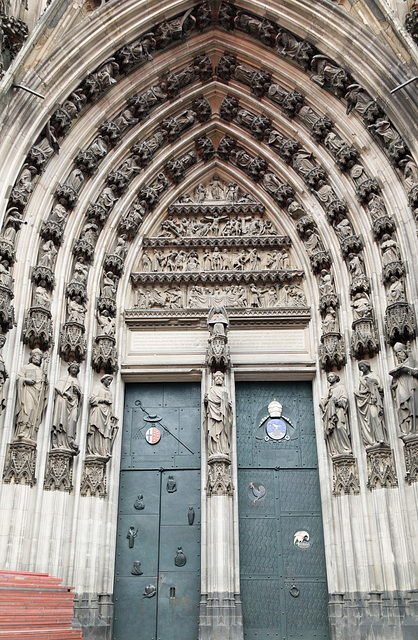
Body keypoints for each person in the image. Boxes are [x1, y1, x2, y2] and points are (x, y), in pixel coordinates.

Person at [14, 349, 48, 443]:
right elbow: (18, 378)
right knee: (27, 409)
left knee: (34, 412)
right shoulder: (26, 367)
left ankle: (30, 434)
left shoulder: (41, 371)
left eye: (39, 357)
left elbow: (44, 387)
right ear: (31, 357)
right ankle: (22, 431)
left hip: (37, 395)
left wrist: (45, 383)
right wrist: (25, 380)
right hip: (28, 391)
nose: (37, 358)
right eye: (35, 356)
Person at [354, 361, 388, 447]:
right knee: (370, 419)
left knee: (375, 416)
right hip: (366, 402)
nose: (361, 369)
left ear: (367, 366)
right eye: (360, 368)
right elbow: (356, 391)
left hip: (374, 401)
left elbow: (380, 387)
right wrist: (365, 391)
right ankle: (373, 439)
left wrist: (373, 385)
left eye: (362, 367)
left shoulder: (374, 376)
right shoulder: (360, 379)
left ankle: (380, 437)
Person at [51, 362, 82, 452]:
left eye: (76, 368)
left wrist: (78, 392)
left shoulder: (78, 382)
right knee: (62, 420)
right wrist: (66, 394)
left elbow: (81, 396)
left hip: (74, 402)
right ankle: (60, 441)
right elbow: (58, 388)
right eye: (72, 368)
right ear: (69, 369)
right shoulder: (64, 379)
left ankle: (70, 440)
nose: (74, 370)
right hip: (64, 402)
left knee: (73, 419)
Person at [320, 373, 352, 457]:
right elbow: (323, 401)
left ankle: (345, 448)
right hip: (330, 412)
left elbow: (344, 399)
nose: (330, 378)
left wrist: (337, 401)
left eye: (331, 376)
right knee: (333, 430)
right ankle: (336, 450)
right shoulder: (328, 390)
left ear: (336, 377)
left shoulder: (341, 387)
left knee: (340, 427)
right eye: (328, 377)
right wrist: (325, 401)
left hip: (339, 410)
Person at [389, 343, 418, 436]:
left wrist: (407, 369)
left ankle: (415, 428)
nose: (398, 355)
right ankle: (407, 429)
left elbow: (416, 371)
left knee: (412, 407)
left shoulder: (411, 361)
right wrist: (393, 383)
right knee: (403, 408)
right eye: (396, 354)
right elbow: (393, 383)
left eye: (400, 352)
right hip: (401, 389)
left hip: (411, 386)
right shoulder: (398, 367)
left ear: (405, 352)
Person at [86, 375, 117, 459]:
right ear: (104, 380)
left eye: (111, 380)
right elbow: (92, 399)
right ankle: (94, 450)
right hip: (98, 411)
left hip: (106, 414)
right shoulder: (97, 388)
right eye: (108, 380)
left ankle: (102, 451)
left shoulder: (109, 392)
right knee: (96, 430)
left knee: (106, 432)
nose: (110, 382)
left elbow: (110, 406)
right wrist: (102, 400)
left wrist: (113, 415)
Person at [204, 371, 233, 456]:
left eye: (220, 377)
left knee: (222, 434)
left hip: (223, 416)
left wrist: (226, 402)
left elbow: (229, 403)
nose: (219, 379)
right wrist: (206, 401)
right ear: (214, 379)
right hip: (213, 416)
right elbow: (207, 404)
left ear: (223, 379)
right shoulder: (211, 389)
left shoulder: (225, 389)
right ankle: (214, 450)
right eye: (217, 377)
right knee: (213, 432)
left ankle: (223, 450)